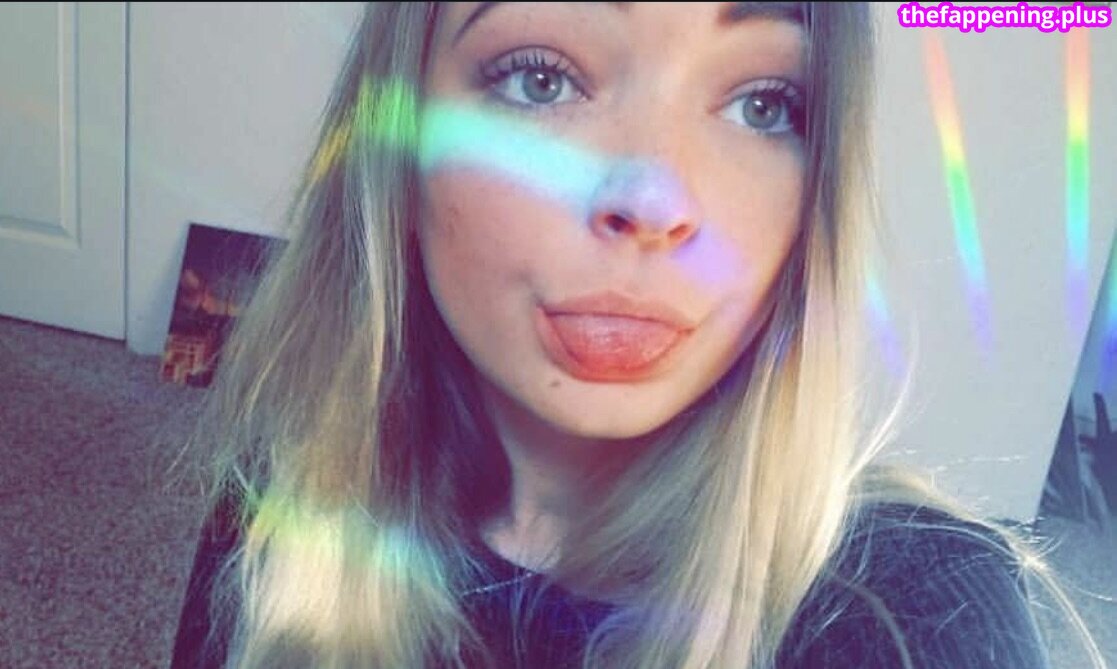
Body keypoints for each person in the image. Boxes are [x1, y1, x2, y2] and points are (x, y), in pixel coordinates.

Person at [167, 3, 1103, 668]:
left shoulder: (917, 611)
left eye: (764, 103)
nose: (652, 198)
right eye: (541, 77)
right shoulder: (284, 485)